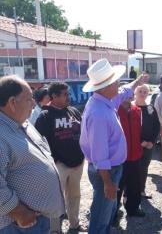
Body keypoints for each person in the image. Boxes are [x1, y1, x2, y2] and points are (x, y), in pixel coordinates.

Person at [79, 59, 148, 234]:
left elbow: (125, 91)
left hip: (110, 168)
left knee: (106, 210)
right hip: (106, 170)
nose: (118, 84)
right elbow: (100, 154)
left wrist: (137, 83)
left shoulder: (103, 101)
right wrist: (108, 182)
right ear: (106, 86)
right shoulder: (100, 113)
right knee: (101, 216)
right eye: (115, 81)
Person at [0, 75, 65, 234]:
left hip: (37, 219)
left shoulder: (24, 123)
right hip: (20, 224)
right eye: (29, 99)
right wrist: (19, 212)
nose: (34, 103)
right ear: (12, 103)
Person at [34, 82, 86, 233]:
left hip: (77, 163)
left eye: (68, 94)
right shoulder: (45, 116)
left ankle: (74, 224)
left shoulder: (73, 111)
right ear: (54, 96)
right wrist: (52, 161)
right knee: (56, 199)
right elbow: (38, 142)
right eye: (64, 94)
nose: (68, 97)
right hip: (58, 165)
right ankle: (55, 230)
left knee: (75, 195)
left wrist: (82, 156)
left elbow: (83, 134)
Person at [115, 96, 145, 220]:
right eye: (126, 93)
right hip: (120, 157)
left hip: (135, 155)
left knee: (134, 185)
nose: (129, 96)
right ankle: (113, 212)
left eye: (131, 93)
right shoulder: (115, 110)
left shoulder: (137, 110)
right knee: (117, 186)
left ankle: (133, 208)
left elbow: (142, 130)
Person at [133, 84, 160, 199]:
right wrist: (138, 142)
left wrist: (152, 142)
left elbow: (156, 126)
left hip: (148, 146)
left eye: (145, 92)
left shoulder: (150, 108)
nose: (143, 94)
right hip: (134, 145)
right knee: (132, 169)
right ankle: (129, 193)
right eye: (140, 91)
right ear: (135, 93)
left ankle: (141, 191)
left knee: (144, 168)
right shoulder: (131, 108)